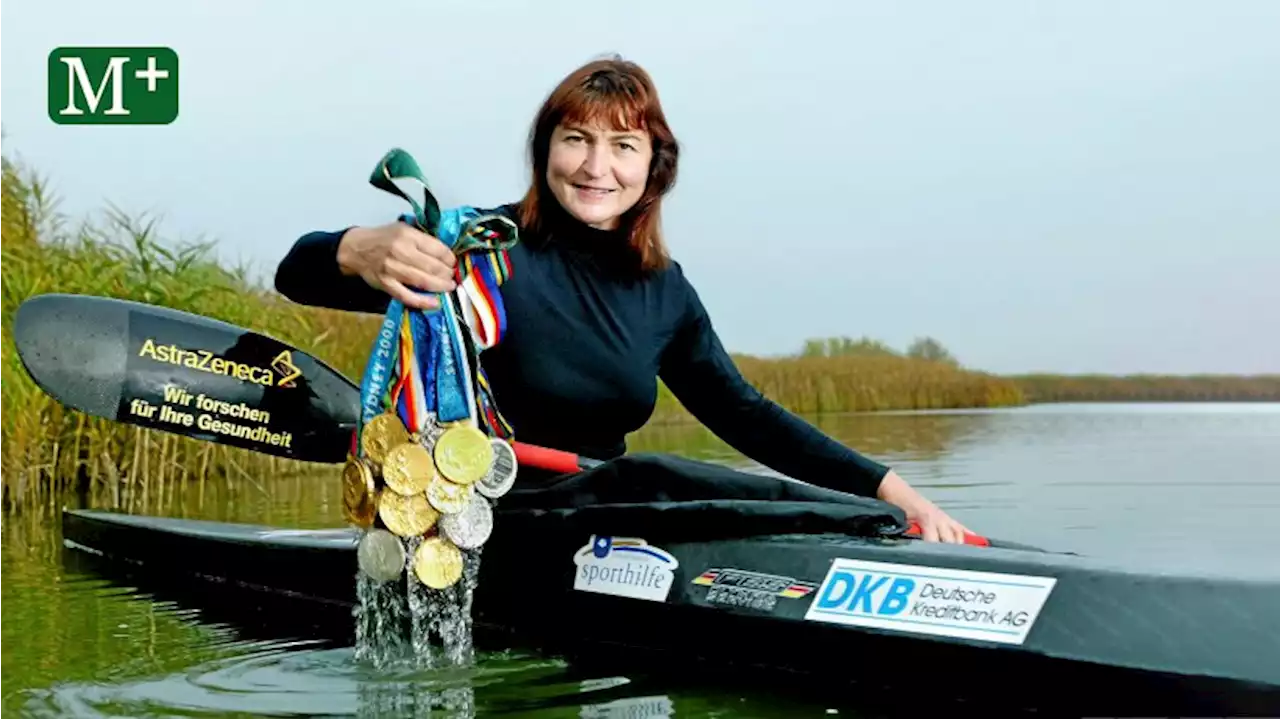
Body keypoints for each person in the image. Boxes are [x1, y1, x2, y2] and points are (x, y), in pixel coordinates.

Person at [274, 56, 973, 543]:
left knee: (664, 478)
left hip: (615, 513)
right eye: (575, 138)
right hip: (484, 519)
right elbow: (295, 274)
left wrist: (892, 493)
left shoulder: (664, 291)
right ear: (545, 148)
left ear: (653, 166)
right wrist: (357, 247)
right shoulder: (477, 249)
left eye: (622, 145)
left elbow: (748, 416)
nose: (595, 166)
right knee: (661, 475)